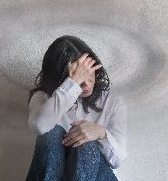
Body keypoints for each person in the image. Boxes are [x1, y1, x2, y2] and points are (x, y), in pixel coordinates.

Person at [25, 35, 128, 181]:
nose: (86, 84)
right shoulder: (42, 97)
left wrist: (101, 133)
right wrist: (72, 84)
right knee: (52, 134)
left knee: (86, 145)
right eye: (79, 75)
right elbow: (40, 127)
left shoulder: (112, 102)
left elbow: (118, 161)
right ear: (60, 78)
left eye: (88, 71)